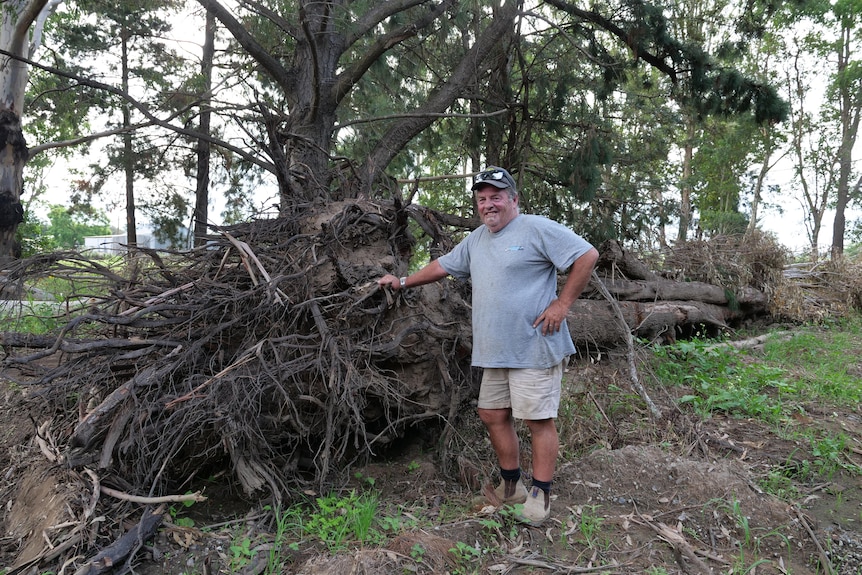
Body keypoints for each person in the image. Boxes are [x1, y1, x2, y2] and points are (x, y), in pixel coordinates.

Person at [378, 166, 598, 525]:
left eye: (496, 196)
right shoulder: (477, 239)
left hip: (534, 345)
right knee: (493, 414)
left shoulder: (535, 228)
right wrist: (402, 281)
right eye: (482, 199)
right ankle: (512, 487)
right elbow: (442, 266)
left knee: (538, 419)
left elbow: (586, 255)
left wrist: (562, 304)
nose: (488, 204)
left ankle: (541, 493)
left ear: (513, 199)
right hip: (495, 349)